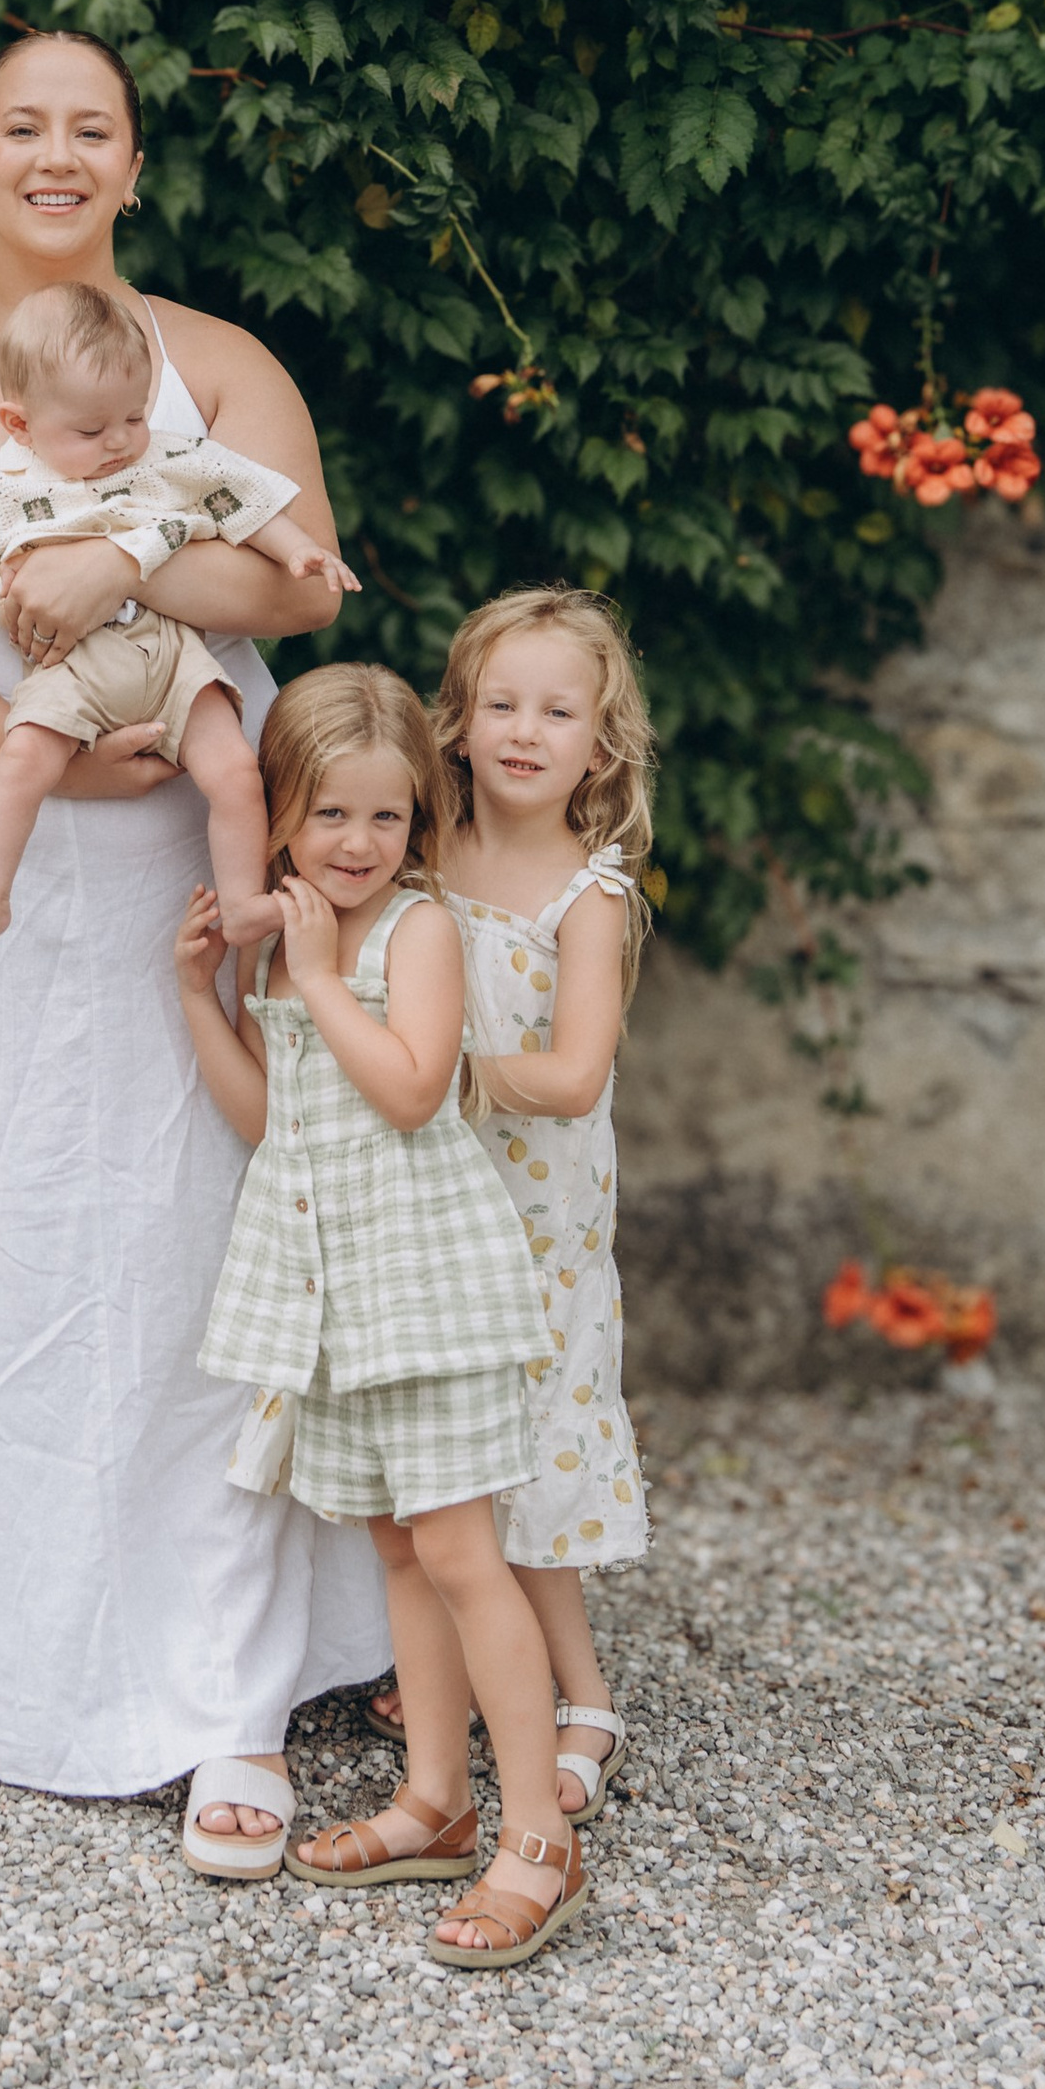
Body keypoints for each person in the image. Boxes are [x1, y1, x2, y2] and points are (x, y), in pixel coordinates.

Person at [0, 29, 388, 1860]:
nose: (55, 154)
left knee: (196, 1239)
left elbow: (297, 575)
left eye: (88, 127)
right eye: (21, 126)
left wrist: (123, 570)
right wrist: (44, 762)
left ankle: (224, 1682)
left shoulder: (225, 362)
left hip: (202, 843)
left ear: (131, 163)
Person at [180, 665, 591, 1965]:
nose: (357, 846)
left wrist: (310, 968)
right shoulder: (295, 934)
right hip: (336, 1287)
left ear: (418, 824)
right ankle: (436, 1800)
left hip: (427, 1281)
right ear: (282, 817)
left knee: (464, 1554)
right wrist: (208, 999)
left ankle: (538, 1836)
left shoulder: (415, 931)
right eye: (329, 819)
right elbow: (274, 1122)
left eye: (386, 820)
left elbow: (415, 1091)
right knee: (401, 1550)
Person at [362, 588, 654, 1825]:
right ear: (460, 722)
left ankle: (582, 1696)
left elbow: (577, 1072)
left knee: (526, 1452)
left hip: (536, 1212)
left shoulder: (586, 895)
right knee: (444, 1459)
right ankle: (477, 1679)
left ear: (601, 745)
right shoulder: (422, 853)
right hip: (431, 1201)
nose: (525, 730)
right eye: (501, 704)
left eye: (558, 710)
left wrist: (442, 1074)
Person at [0, 277, 358, 963]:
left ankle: (239, 904)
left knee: (235, 769)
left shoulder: (168, 457)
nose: (120, 441)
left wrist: (302, 552)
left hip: (170, 656)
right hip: (69, 666)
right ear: (20, 424)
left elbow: (241, 501)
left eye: (134, 417)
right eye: (91, 430)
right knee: (21, 761)